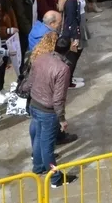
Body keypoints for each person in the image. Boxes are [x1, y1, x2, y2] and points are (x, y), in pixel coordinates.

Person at [26, 36, 77, 187]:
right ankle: (55, 179)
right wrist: (61, 118)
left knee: (38, 137)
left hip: (34, 104)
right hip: (47, 111)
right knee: (47, 146)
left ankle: (38, 167)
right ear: (68, 49)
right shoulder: (63, 69)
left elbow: (30, 81)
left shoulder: (41, 58)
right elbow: (58, 98)